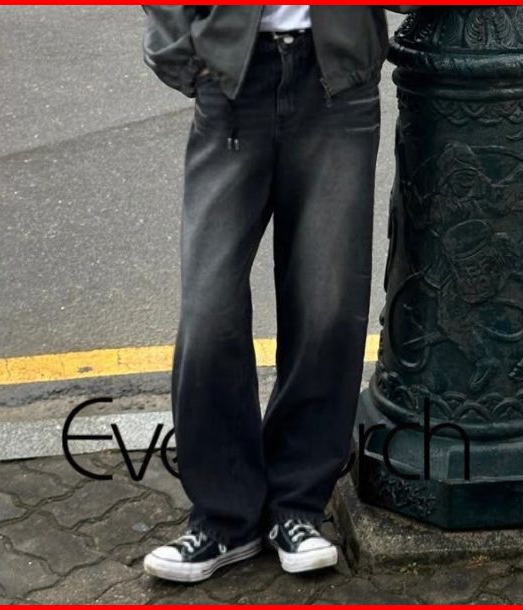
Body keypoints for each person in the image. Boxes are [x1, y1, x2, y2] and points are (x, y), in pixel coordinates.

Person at [140, 5, 414, 583]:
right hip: (232, 79)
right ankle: (225, 517)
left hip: (336, 81)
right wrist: (183, 54)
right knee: (208, 310)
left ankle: (296, 505)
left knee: (327, 307)